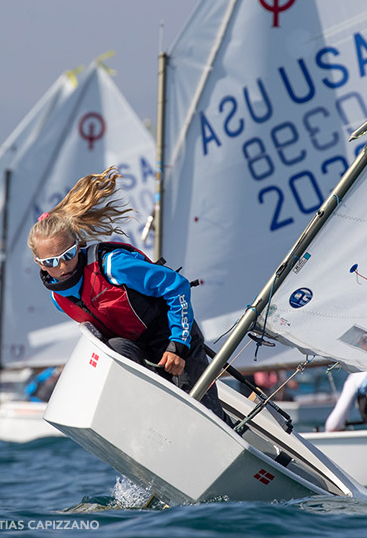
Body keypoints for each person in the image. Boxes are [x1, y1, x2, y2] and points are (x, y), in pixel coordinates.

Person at [27, 167, 233, 427]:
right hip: (138, 352)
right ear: (39, 263)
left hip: (174, 339)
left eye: (68, 255)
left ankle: (227, 429)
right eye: (51, 261)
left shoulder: (113, 266)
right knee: (114, 348)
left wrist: (178, 345)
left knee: (207, 417)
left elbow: (177, 286)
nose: (62, 266)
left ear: (78, 246)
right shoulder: (60, 299)